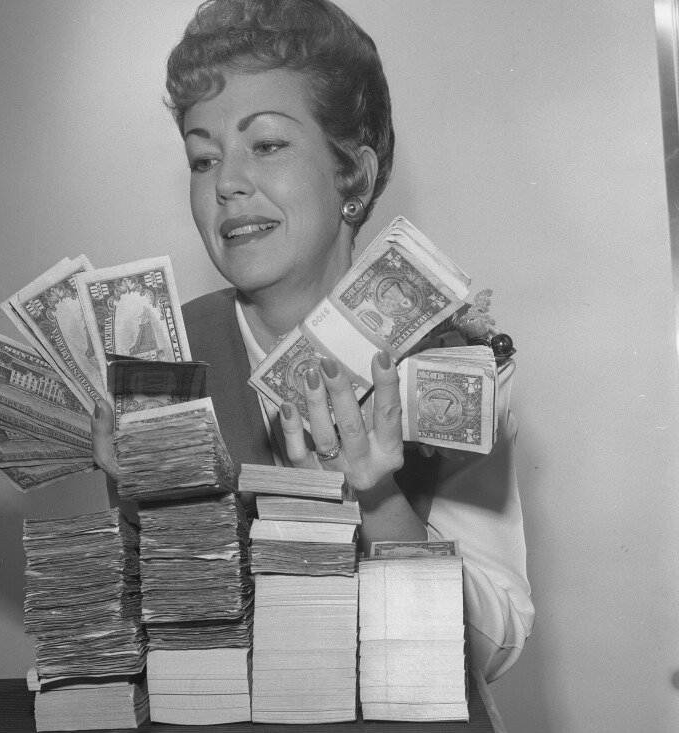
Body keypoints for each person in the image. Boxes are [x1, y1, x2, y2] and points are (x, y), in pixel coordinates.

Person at [92, 0, 534, 682]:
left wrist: (378, 500)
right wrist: (139, 506)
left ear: (351, 174)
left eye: (265, 145)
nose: (228, 184)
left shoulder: (454, 360)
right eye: (202, 158)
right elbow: (153, 661)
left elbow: (495, 647)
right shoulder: (162, 364)